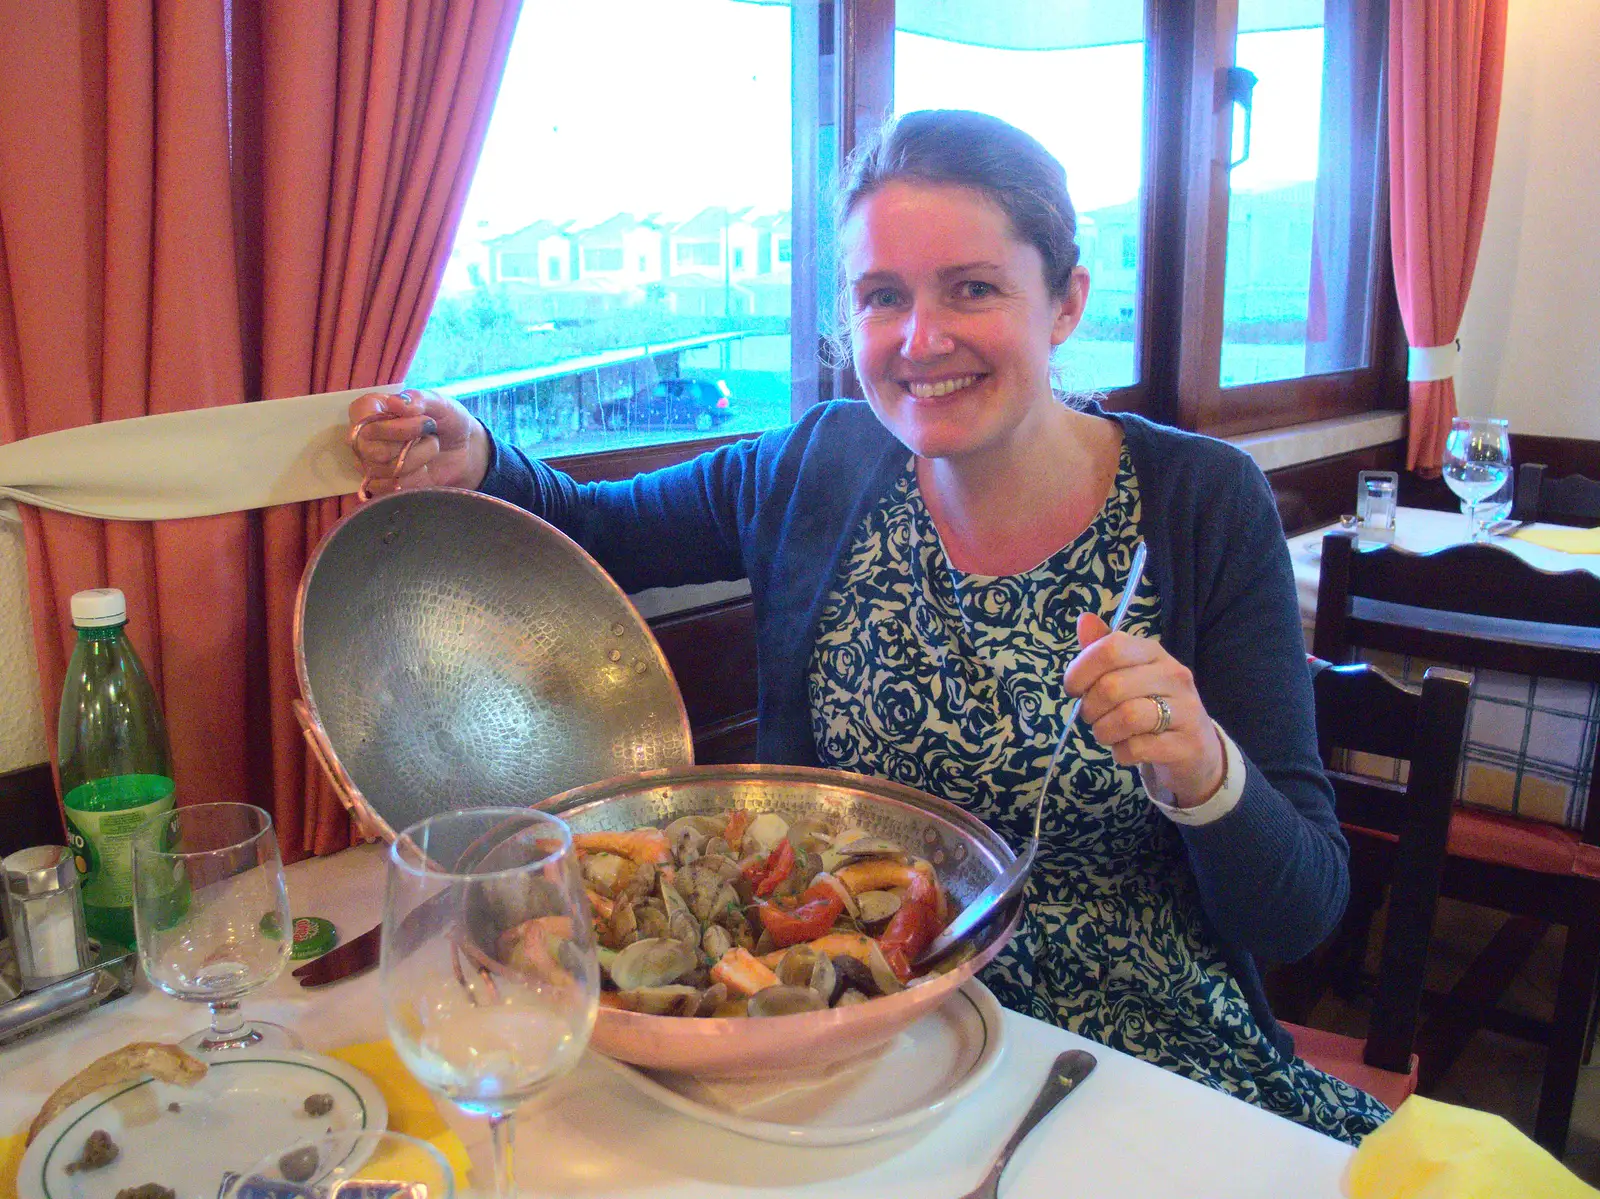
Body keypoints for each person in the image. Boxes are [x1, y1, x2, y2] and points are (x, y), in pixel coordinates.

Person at [348, 109, 1388, 1144]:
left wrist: (1205, 770)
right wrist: (476, 457)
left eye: (972, 288)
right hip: (850, 1034)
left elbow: (1300, 912)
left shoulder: (1201, 502)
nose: (919, 339)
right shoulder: (815, 465)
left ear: (1065, 301)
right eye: (882, 296)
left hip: (1119, 1055)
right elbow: (600, 529)